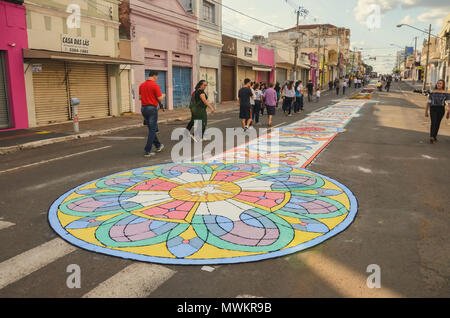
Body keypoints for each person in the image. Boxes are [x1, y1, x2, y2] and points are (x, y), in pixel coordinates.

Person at [139, 70, 166, 157]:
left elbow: (140, 98)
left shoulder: (141, 85)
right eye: (157, 77)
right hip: (152, 109)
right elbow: (160, 99)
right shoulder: (155, 85)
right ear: (154, 76)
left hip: (143, 108)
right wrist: (163, 95)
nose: (157, 79)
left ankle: (158, 145)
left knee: (151, 128)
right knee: (152, 129)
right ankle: (147, 150)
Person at [425, 79, 450, 144]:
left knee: (437, 123)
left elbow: (448, 103)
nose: (438, 84)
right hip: (433, 108)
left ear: (443, 85)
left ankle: (434, 136)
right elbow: (429, 102)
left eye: (440, 83)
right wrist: (426, 111)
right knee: (433, 122)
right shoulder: (432, 92)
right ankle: (431, 137)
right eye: (438, 83)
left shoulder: (446, 93)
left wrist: (448, 112)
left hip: (441, 109)